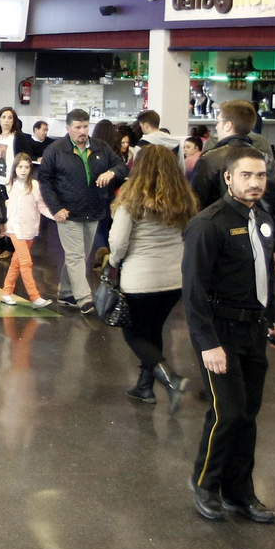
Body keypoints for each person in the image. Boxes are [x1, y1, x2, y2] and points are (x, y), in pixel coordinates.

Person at [182, 144, 275, 524]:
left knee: (247, 415)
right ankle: (205, 484)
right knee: (227, 412)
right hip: (220, 332)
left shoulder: (262, 219)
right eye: (246, 175)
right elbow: (194, 291)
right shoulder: (208, 224)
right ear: (228, 178)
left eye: (261, 175)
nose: (255, 182)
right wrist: (208, 344)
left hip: (254, 330)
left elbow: (264, 279)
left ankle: (239, 492)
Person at [104, 145, 197, 409]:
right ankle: (144, 387)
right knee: (153, 330)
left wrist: (113, 263)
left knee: (133, 334)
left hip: (141, 279)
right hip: (175, 280)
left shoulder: (131, 200)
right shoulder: (184, 199)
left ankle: (171, 380)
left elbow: (118, 242)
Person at [37, 108, 127, 315]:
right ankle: (84, 298)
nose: (83, 131)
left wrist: (111, 172)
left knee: (81, 255)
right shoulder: (55, 150)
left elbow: (122, 167)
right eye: (78, 127)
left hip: (93, 210)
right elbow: (45, 181)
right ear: (68, 128)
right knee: (75, 255)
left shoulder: (100, 147)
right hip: (67, 213)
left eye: (86, 126)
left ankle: (66, 292)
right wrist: (56, 209)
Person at [191, 101, 275, 274]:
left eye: (219, 121)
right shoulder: (267, 160)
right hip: (261, 238)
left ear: (228, 125)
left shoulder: (210, 160)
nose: (216, 127)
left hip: (220, 242)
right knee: (260, 286)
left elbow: (196, 204)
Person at [0, 153, 52, 307]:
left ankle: (6, 292)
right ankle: (35, 297)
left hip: (30, 228)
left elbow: (41, 206)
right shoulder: (8, 186)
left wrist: (55, 216)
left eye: (26, 167)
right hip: (14, 228)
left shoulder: (34, 185)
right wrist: (2, 224)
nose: (23, 170)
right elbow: (3, 208)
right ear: (14, 168)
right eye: (20, 167)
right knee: (26, 262)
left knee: (17, 262)